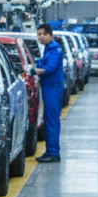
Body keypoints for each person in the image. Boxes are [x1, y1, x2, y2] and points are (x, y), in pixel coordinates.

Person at [32, 23, 63, 162]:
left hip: (53, 88)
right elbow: (43, 62)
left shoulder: (55, 49)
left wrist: (33, 70)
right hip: (48, 88)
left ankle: (53, 152)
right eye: (39, 34)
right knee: (48, 119)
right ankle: (50, 150)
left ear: (50, 35)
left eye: (44, 34)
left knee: (51, 120)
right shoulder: (48, 48)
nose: (41, 37)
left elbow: (49, 68)